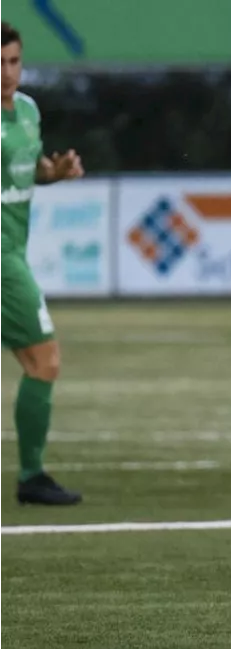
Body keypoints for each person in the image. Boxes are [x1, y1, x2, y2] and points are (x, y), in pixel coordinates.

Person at [0, 22, 85, 506]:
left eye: (14, 61)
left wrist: (52, 173)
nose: (7, 72)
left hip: (13, 248)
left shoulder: (28, 110)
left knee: (39, 362)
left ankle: (32, 475)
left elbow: (26, 173)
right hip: (3, 261)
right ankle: (31, 476)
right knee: (44, 359)